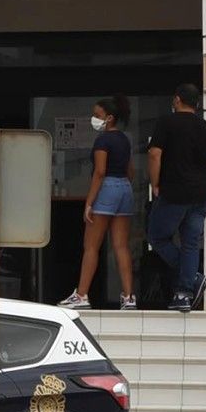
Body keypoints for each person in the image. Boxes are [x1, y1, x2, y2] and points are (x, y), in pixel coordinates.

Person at [145, 83, 206, 312]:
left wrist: (155, 183)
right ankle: (184, 294)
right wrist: (198, 163)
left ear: (177, 100)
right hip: (201, 195)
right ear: (197, 104)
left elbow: (154, 154)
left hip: (174, 193)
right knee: (190, 243)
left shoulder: (166, 123)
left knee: (157, 237)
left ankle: (194, 278)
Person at [62, 96, 137, 310]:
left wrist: (89, 202)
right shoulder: (124, 139)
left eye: (97, 115)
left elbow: (100, 172)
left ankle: (82, 295)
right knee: (121, 246)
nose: (94, 119)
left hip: (107, 189)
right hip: (125, 189)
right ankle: (129, 296)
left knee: (91, 246)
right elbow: (131, 171)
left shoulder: (102, 141)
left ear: (109, 118)